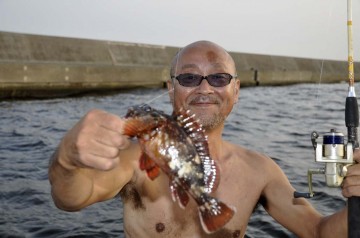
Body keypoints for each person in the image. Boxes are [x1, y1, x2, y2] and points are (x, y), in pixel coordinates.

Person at [49, 40, 360, 238]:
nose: (204, 88)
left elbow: (319, 231)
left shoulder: (261, 170)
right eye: (188, 78)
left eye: (218, 77)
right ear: (171, 89)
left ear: (236, 90)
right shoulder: (136, 157)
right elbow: (71, 198)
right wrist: (66, 159)